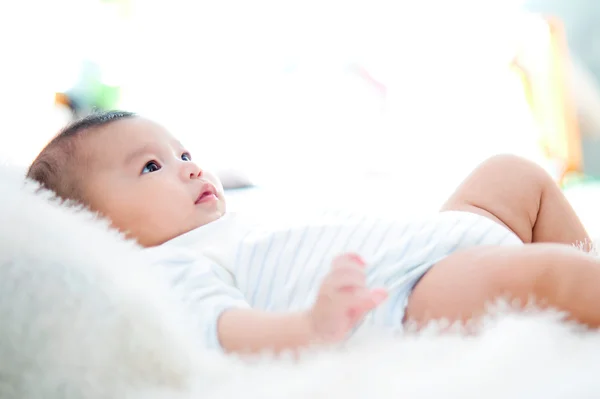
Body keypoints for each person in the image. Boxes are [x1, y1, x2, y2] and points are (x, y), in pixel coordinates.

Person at [26, 110, 598, 355]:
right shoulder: (167, 266)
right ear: (94, 231)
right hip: (410, 292)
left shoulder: (228, 224)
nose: (190, 167)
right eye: (151, 167)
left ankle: (585, 267)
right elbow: (225, 331)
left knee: (513, 174)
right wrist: (309, 326)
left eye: (183, 152)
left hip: (437, 239)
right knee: (548, 275)